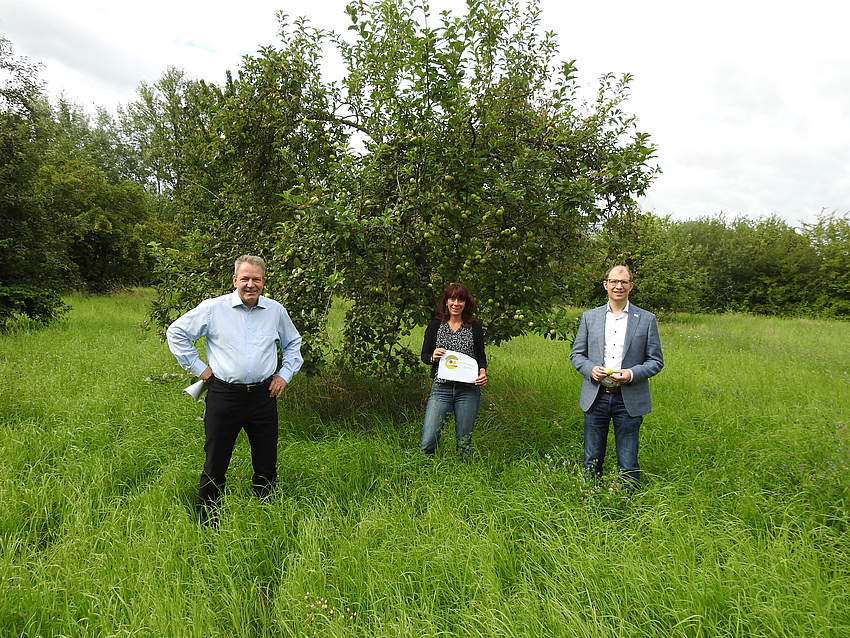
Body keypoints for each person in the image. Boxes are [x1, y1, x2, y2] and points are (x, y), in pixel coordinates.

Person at [166, 255, 303, 522]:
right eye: (245, 279)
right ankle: (207, 521)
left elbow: (293, 343)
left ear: (264, 281)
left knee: (266, 462)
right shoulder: (213, 309)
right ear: (234, 280)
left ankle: (266, 515)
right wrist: (199, 368)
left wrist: (284, 375)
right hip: (224, 395)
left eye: (256, 279)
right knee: (215, 462)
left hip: (264, 395)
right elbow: (176, 332)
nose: (250, 284)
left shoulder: (276, 311)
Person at [569, 265, 664, 490]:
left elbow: (656, 361)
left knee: (628, 461)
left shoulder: (646, 319)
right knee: (592, 457)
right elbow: (577, 354)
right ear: (605, 285)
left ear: (631, 286)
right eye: (613, 281)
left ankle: (628, 503)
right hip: (596, 397)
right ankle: (589, 499)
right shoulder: (589, 317)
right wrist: (590, 369)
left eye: (623, 282)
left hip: (629, 399)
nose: (618, 286)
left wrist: (631, 374)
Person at [419, 283, 488, 459]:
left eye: (460, 299)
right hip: (441, 389)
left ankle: (465, 478)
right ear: (446, 301)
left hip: (468, 391)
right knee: (428, 441)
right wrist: (433, 357)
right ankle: (422, 475)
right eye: (452, 299)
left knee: (464, 442)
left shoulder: (474, 328)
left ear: (466, 303)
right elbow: (424, 355)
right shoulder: (435, 326)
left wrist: (483, 373)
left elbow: (481, 356)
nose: (456, 303)